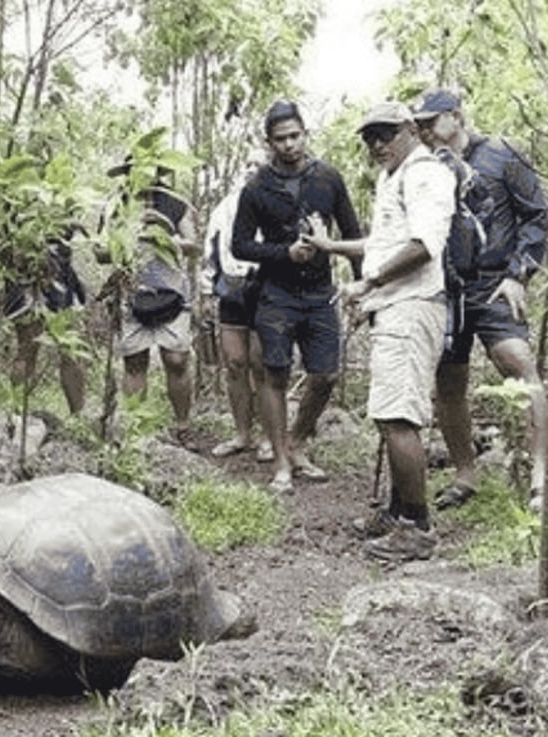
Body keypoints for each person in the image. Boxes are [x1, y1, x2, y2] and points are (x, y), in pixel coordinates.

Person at [310, 101, 455, 561]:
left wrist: (369, 282)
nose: (377, 144)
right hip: (392, 306)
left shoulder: (426, 175)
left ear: (410, 129)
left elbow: (423, 246)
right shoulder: (394, 176)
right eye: (370, 137)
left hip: (412, 307)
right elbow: (382, 242)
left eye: (386, 134)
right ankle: (396, 512)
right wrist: (333, 248)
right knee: (389, 412)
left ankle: (417, 525)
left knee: (399, 416)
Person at [410, 88, 548, 510]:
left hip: (494, 282)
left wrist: (519, 274)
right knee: (448, 383)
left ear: (456, 116)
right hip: (446, 287)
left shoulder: (501, 154)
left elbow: (536, 215)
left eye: (431, 123)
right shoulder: (425, 166)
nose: (425, 132)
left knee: (519, 365)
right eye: (419, 126)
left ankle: (542, 481)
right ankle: (465, 475)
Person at [231, 99, 363, 492]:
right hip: (276, 293)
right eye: (280, 139)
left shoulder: (328, 178)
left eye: (295, 136)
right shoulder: (256, 189)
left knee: (325, 374)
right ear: (269, 142)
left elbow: (352, 232)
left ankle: (298, 440)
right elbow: (240, 246)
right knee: (275, 372)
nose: (289, 145)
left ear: (305, 134)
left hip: (320, 291)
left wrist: (362, 286)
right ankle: (281, 462)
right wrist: (283, 253)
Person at [100, 161, 202, 444]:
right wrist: (128, 239)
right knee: (134, 361)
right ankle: (134, 430)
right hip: (132, 294)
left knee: (176, 358)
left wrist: (165, 235)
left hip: (172, 292)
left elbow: (194, 245)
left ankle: (183, 427)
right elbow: (99, 252)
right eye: (137, 169)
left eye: (149, 169)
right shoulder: (116, 205)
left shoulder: (175, 202)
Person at [203, 150, 270, 461]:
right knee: (234, 363)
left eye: (257, 164)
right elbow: (211, 249)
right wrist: (207, 289)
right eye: (247, 164)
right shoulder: (225, 207)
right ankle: (243, 434)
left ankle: (270, 437)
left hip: (267, 286)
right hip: (231, 286)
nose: (250, 170)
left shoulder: (279, 200)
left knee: (263, 364)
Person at [3, 226, 88, 415]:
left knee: (70, 350)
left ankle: (77, 416)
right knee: (29, 348)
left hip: (56, 271)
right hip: (27, 271)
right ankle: (16, 413)